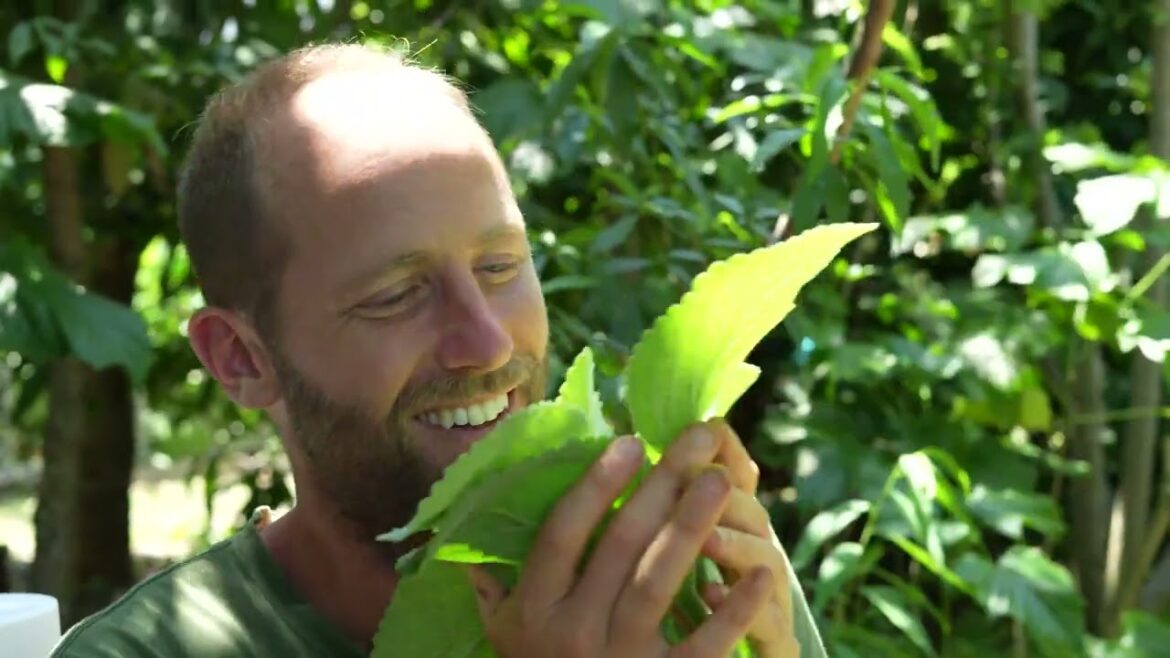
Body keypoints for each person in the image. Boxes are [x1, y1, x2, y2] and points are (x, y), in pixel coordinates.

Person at [50, 42, 825, 658]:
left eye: (500, 268)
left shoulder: (678, 569)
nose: (486, 342)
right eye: (395, 296)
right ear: (241, 359)